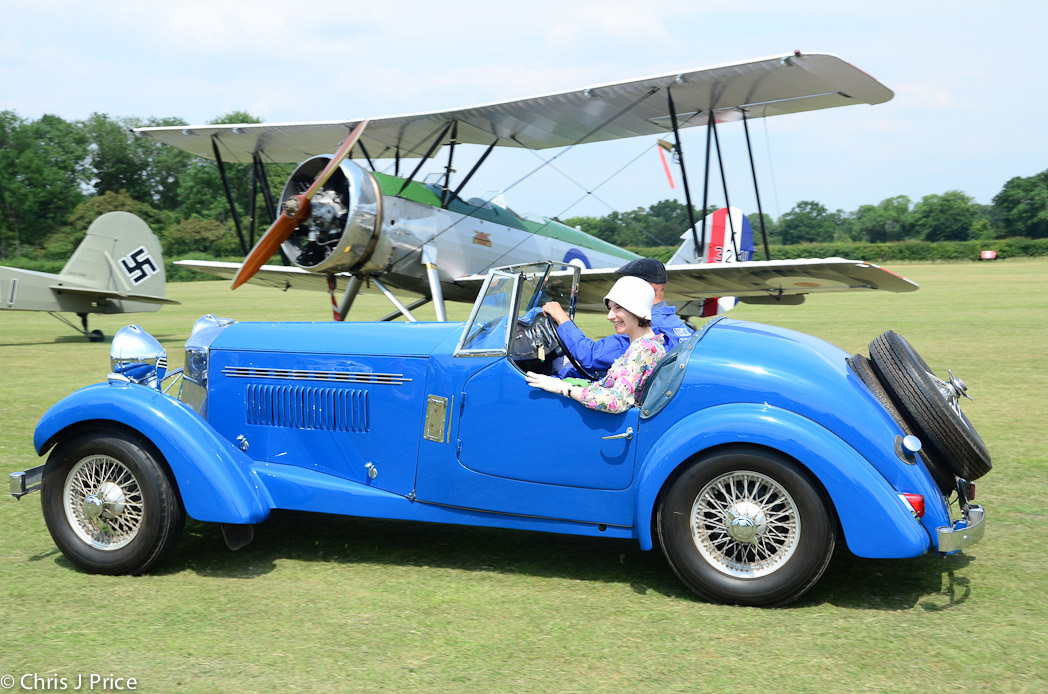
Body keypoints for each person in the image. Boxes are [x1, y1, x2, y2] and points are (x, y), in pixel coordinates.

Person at [526, 276, 666, 414]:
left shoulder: (642, 349)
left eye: (618, 308)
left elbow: (615, 402)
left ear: (636, 309)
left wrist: (564, 388)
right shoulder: (650, 343)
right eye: (610, 308)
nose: (610, 316)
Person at [542, 258, 691, 379]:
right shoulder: (679, 326)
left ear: (645, 289)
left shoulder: (645, 328)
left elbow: (590, 357)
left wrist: (561, 317)